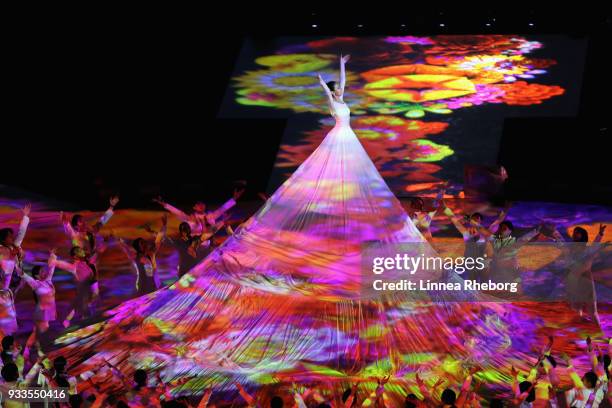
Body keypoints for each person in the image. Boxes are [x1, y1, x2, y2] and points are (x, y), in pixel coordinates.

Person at [16, 251, 57, 359]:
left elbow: (52, 268)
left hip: (47, 312)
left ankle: (27, 352)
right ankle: (40, 353)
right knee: (42, 332)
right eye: (42, 271)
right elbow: (22, 274)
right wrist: (17, 262)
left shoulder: (48, 281)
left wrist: (52, 255)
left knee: (36, 332)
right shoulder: (35, 283)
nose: (44, 272)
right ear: (37, 275)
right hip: (41, 312)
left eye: (44, 270)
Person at [153, 188, 243, 236]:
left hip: (209, 243)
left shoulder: (209, 216)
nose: (201, 206)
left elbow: (222, 209)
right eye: (198, 204)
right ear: (194, 207)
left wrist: (234, 198)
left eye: (202, 204)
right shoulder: (191, 217)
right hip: (196, 245)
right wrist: (164, 204)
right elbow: (178, 212)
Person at [0, 204, 31, 336]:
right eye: (9, 236)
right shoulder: (2, 249)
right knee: (6, 304)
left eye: (12, 236)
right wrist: (14, 254)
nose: (12, 238)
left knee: (11, 301)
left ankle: (11, 324)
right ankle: (7, 329)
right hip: (5, 282)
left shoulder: (14, 246)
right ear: (3, 239)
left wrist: (25, 216)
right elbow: (5, 263)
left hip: (15, 279)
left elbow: (21, 233)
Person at [118, 215, 166, 295]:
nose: (145, 244)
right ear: (138, 247)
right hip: (143, 287)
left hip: (154, 284)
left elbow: (159, 239)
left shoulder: (151, 254)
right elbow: (127, 250)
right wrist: (121, 242)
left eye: (144, 242)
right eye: (142, 243)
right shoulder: (136, 257)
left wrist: (164, 225)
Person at [50, 247, 98, 327]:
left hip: (88, 288)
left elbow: (96, 255)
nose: (82, 251)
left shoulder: (87, 261)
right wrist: (53, 257)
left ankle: (70, 320)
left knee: (81, 304)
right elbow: (62, 264)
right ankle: (70, 321)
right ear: (75, 256)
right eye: (79, 251)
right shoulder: (75, 266)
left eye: (81, 250)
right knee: (80, 304)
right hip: (83, 290)